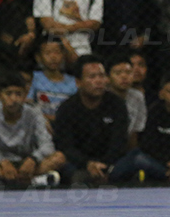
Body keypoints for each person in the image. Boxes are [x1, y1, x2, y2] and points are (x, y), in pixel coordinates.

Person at [53, 54, 135, 184]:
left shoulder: (117, 105)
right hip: (79, 164)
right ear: (78, 82)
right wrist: (88, 164)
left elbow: (119, 141)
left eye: (101, 76)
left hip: (111, 163)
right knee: (67, 168)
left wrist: (104, 165)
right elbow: (65, 146)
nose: (98, 81)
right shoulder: (66, 109)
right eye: (92, 77)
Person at [0, 72, 66, 187]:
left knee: (59, 157)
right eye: (8, 94)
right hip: (0, 164)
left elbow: (47, 145)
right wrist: (2, 161)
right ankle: (31, 181)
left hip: (27, 164)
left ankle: (9, 181)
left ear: (25, 94)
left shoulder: (34, 113)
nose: (14, 99)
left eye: (18, 94)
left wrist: (33, 159)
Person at [28, 36, 77, 127]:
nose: (53, 57)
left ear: (63, 55)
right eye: (48, 53)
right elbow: (28, 105)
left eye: (57, 52)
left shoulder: (73, 82)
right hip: (39, 125)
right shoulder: (34, 78)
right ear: (38, 57)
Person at [106, 53, 147, 148]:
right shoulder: (101, 96)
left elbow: (135, 132)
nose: (124, 77)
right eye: (118, 73)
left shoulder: (137, 97)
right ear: (107, 77)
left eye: (128, 72)